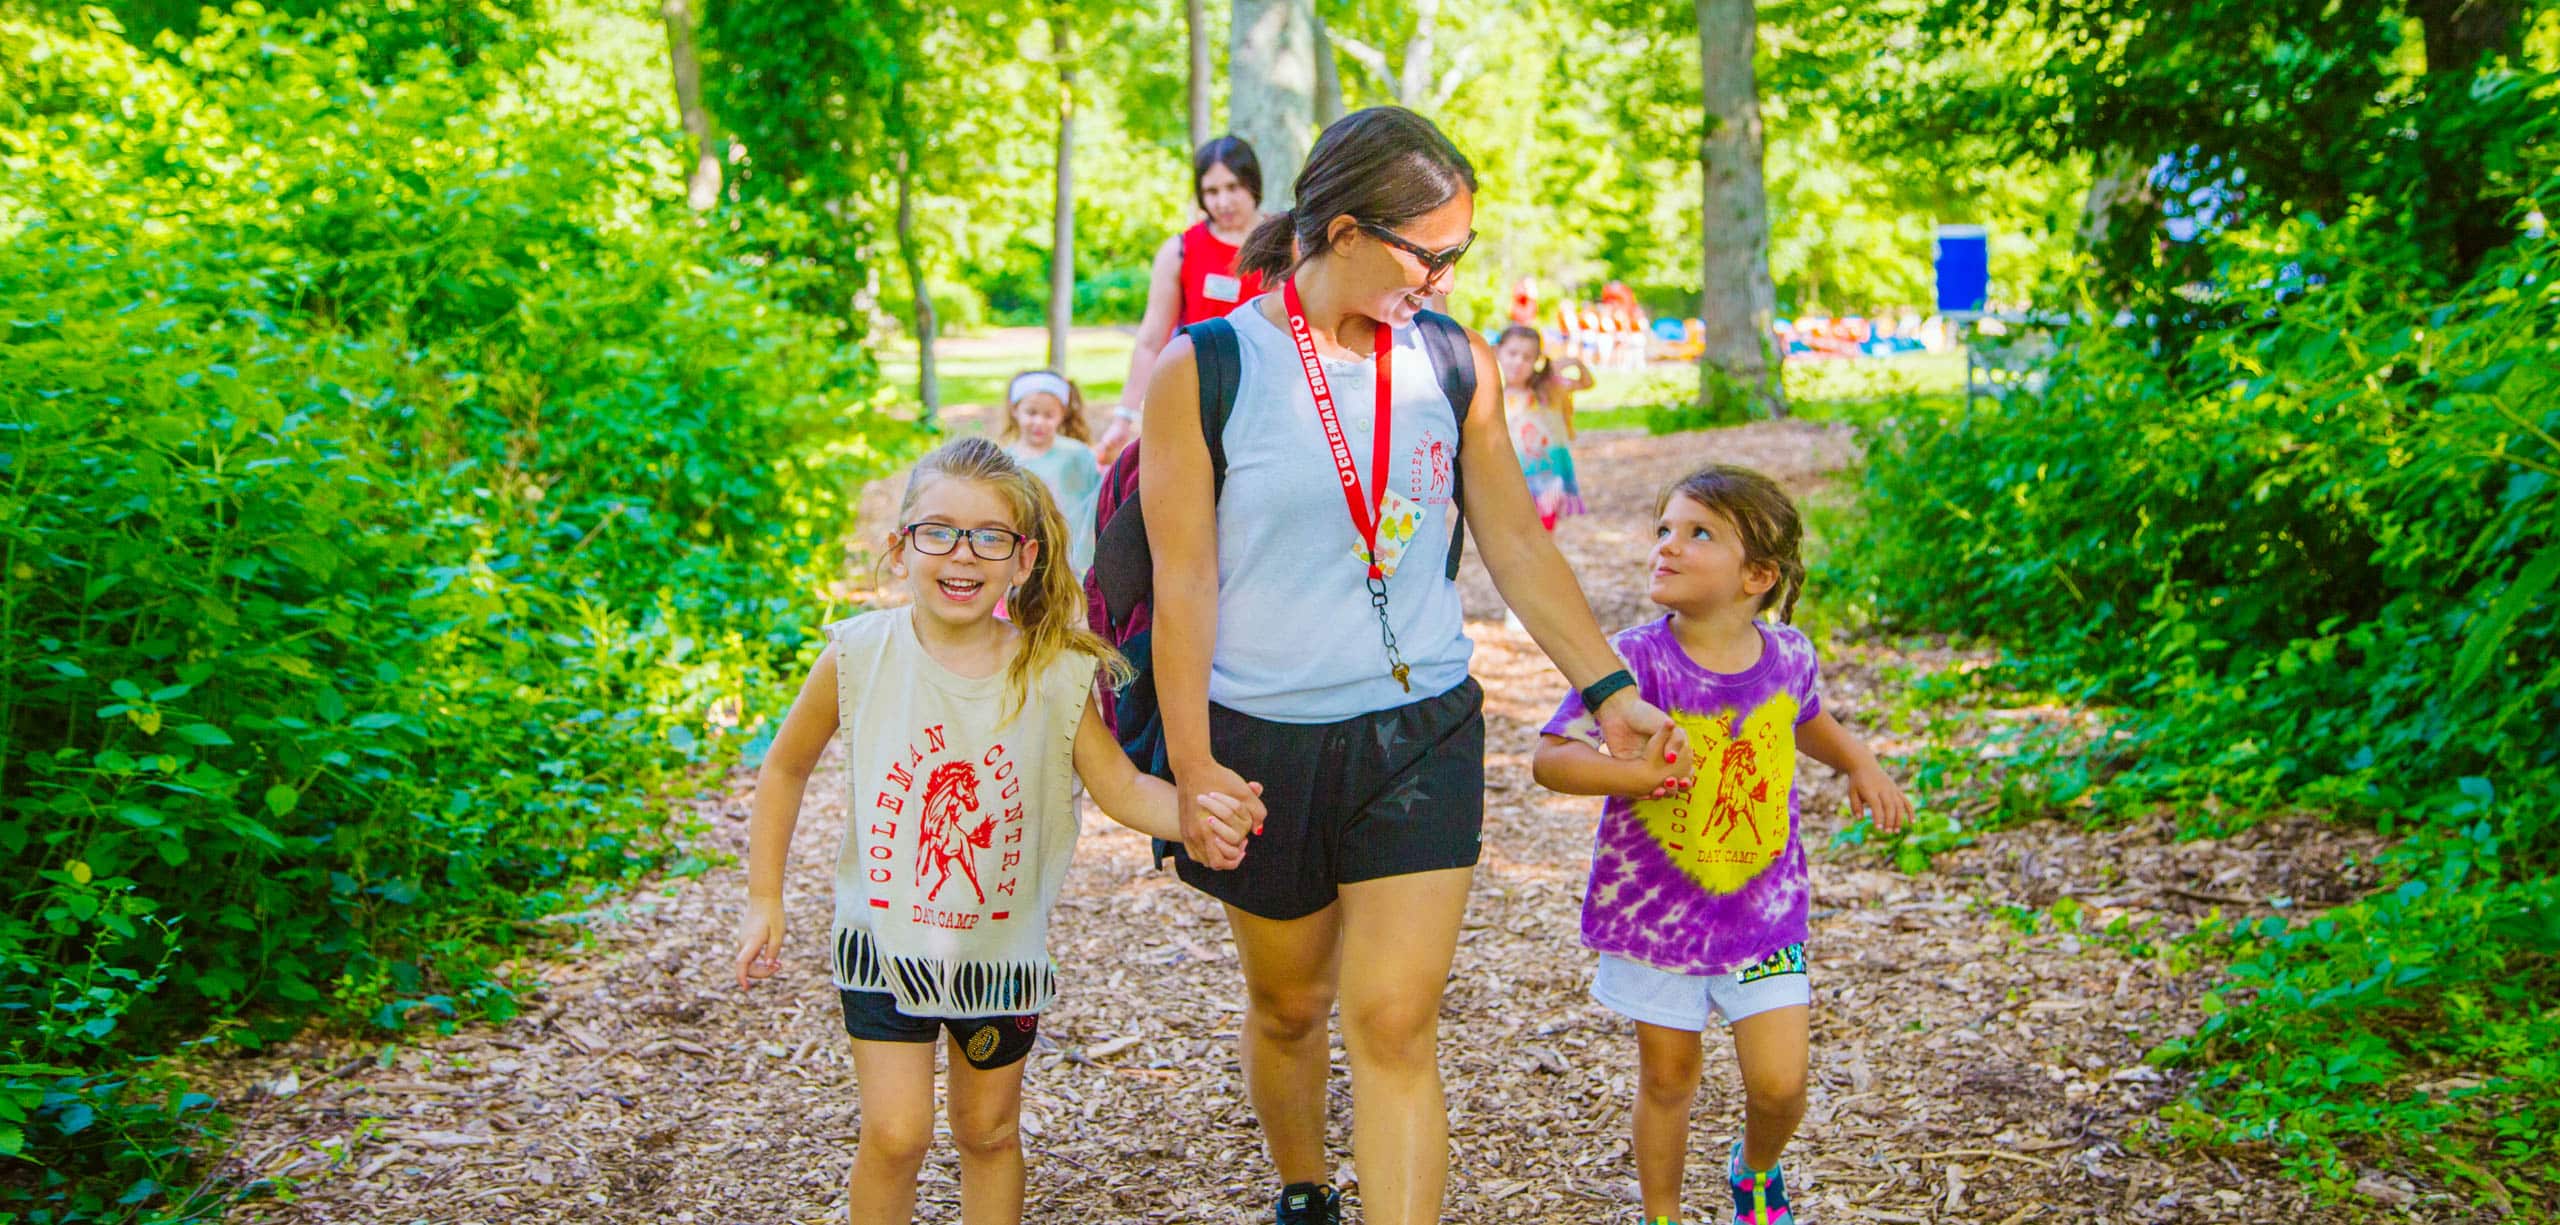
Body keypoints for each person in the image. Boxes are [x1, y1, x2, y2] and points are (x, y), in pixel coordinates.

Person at [1138, 106, 1695, 1225]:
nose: (1443, 279)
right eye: (1427, 254)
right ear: (1343, 231)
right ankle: (1303, 1189)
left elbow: (1516, 542)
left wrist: (1612, 691)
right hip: (1260, 742)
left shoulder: (1454, 361)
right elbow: (1184, 583)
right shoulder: (1205, 370)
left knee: (1392, 1021)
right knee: (1290, 1003)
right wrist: (1191, 764)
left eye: (1459, 256)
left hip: (1420, 730)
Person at [732, 437, 1264, 1225]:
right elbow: (783, 768)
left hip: (998, 955)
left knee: (987, 1130)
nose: (962, 553)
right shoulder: (858, 655)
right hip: (880, 940)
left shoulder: (1052, 670)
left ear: (1024, 559)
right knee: (895, 1131)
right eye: (938, 530)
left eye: (989, 536)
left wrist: (1197, 816)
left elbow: (1119, 788)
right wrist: (763, 895)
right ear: (900, 543)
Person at [1531, 464, 1912, 1225]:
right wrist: (1630, 775)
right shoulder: (1632, 663)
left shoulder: (1790, 656)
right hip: (1657, 918)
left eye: (1698, 533)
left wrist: (1861, 761)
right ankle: (1662, 1213)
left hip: (1763, 914)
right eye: (1664, 529)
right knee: (1669, 1077)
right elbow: (1549, 757)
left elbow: (1807, 720)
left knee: (1780, 1084)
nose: (1667, 546)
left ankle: (1756, 1169)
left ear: (1758, 575)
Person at [1097, 136, 1272, 465]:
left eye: (1233, 187)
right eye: (1212, 191)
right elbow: (1151, 341)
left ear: (1253, 184)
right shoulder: (1180, 250)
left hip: (1270, 400)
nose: (1224, 201)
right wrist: (1123, 418)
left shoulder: (1287, 243)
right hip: (1199, 399)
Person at [998, 370, 1102, 578]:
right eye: (1031, 413)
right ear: (1015, 409)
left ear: (1062, 414)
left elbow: (1094, 504)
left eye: (1048, 415)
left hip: (1070, 556)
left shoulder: (1076, 455)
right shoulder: (1005, 460)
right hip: (1025, 554)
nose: (1039, 422)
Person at [1494, 325, 1594, 531]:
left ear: (1536, 360)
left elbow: (1586, 383)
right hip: (1513, 478)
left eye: (1527, 357)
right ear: (1498, 352)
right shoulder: (1493, 395)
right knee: (1516, 534)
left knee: (1542, 533)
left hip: (1548, 477)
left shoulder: (1548, 390)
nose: (1518, 362)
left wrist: (1576, 363)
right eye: (1512, 354)